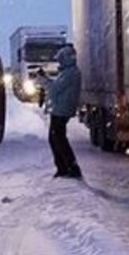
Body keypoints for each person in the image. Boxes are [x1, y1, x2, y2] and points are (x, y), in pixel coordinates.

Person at [44, 44, 82, 179]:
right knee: (56, 138)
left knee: (58, 139)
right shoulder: (69, 72)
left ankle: (69, 168)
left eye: (60, 59)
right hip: (61, 109)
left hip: (61, 110)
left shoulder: (70, 73)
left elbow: (54, 89)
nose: (59, 62)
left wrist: (44, 80)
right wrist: (47, 80)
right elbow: (56, 87)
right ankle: (64, 167)